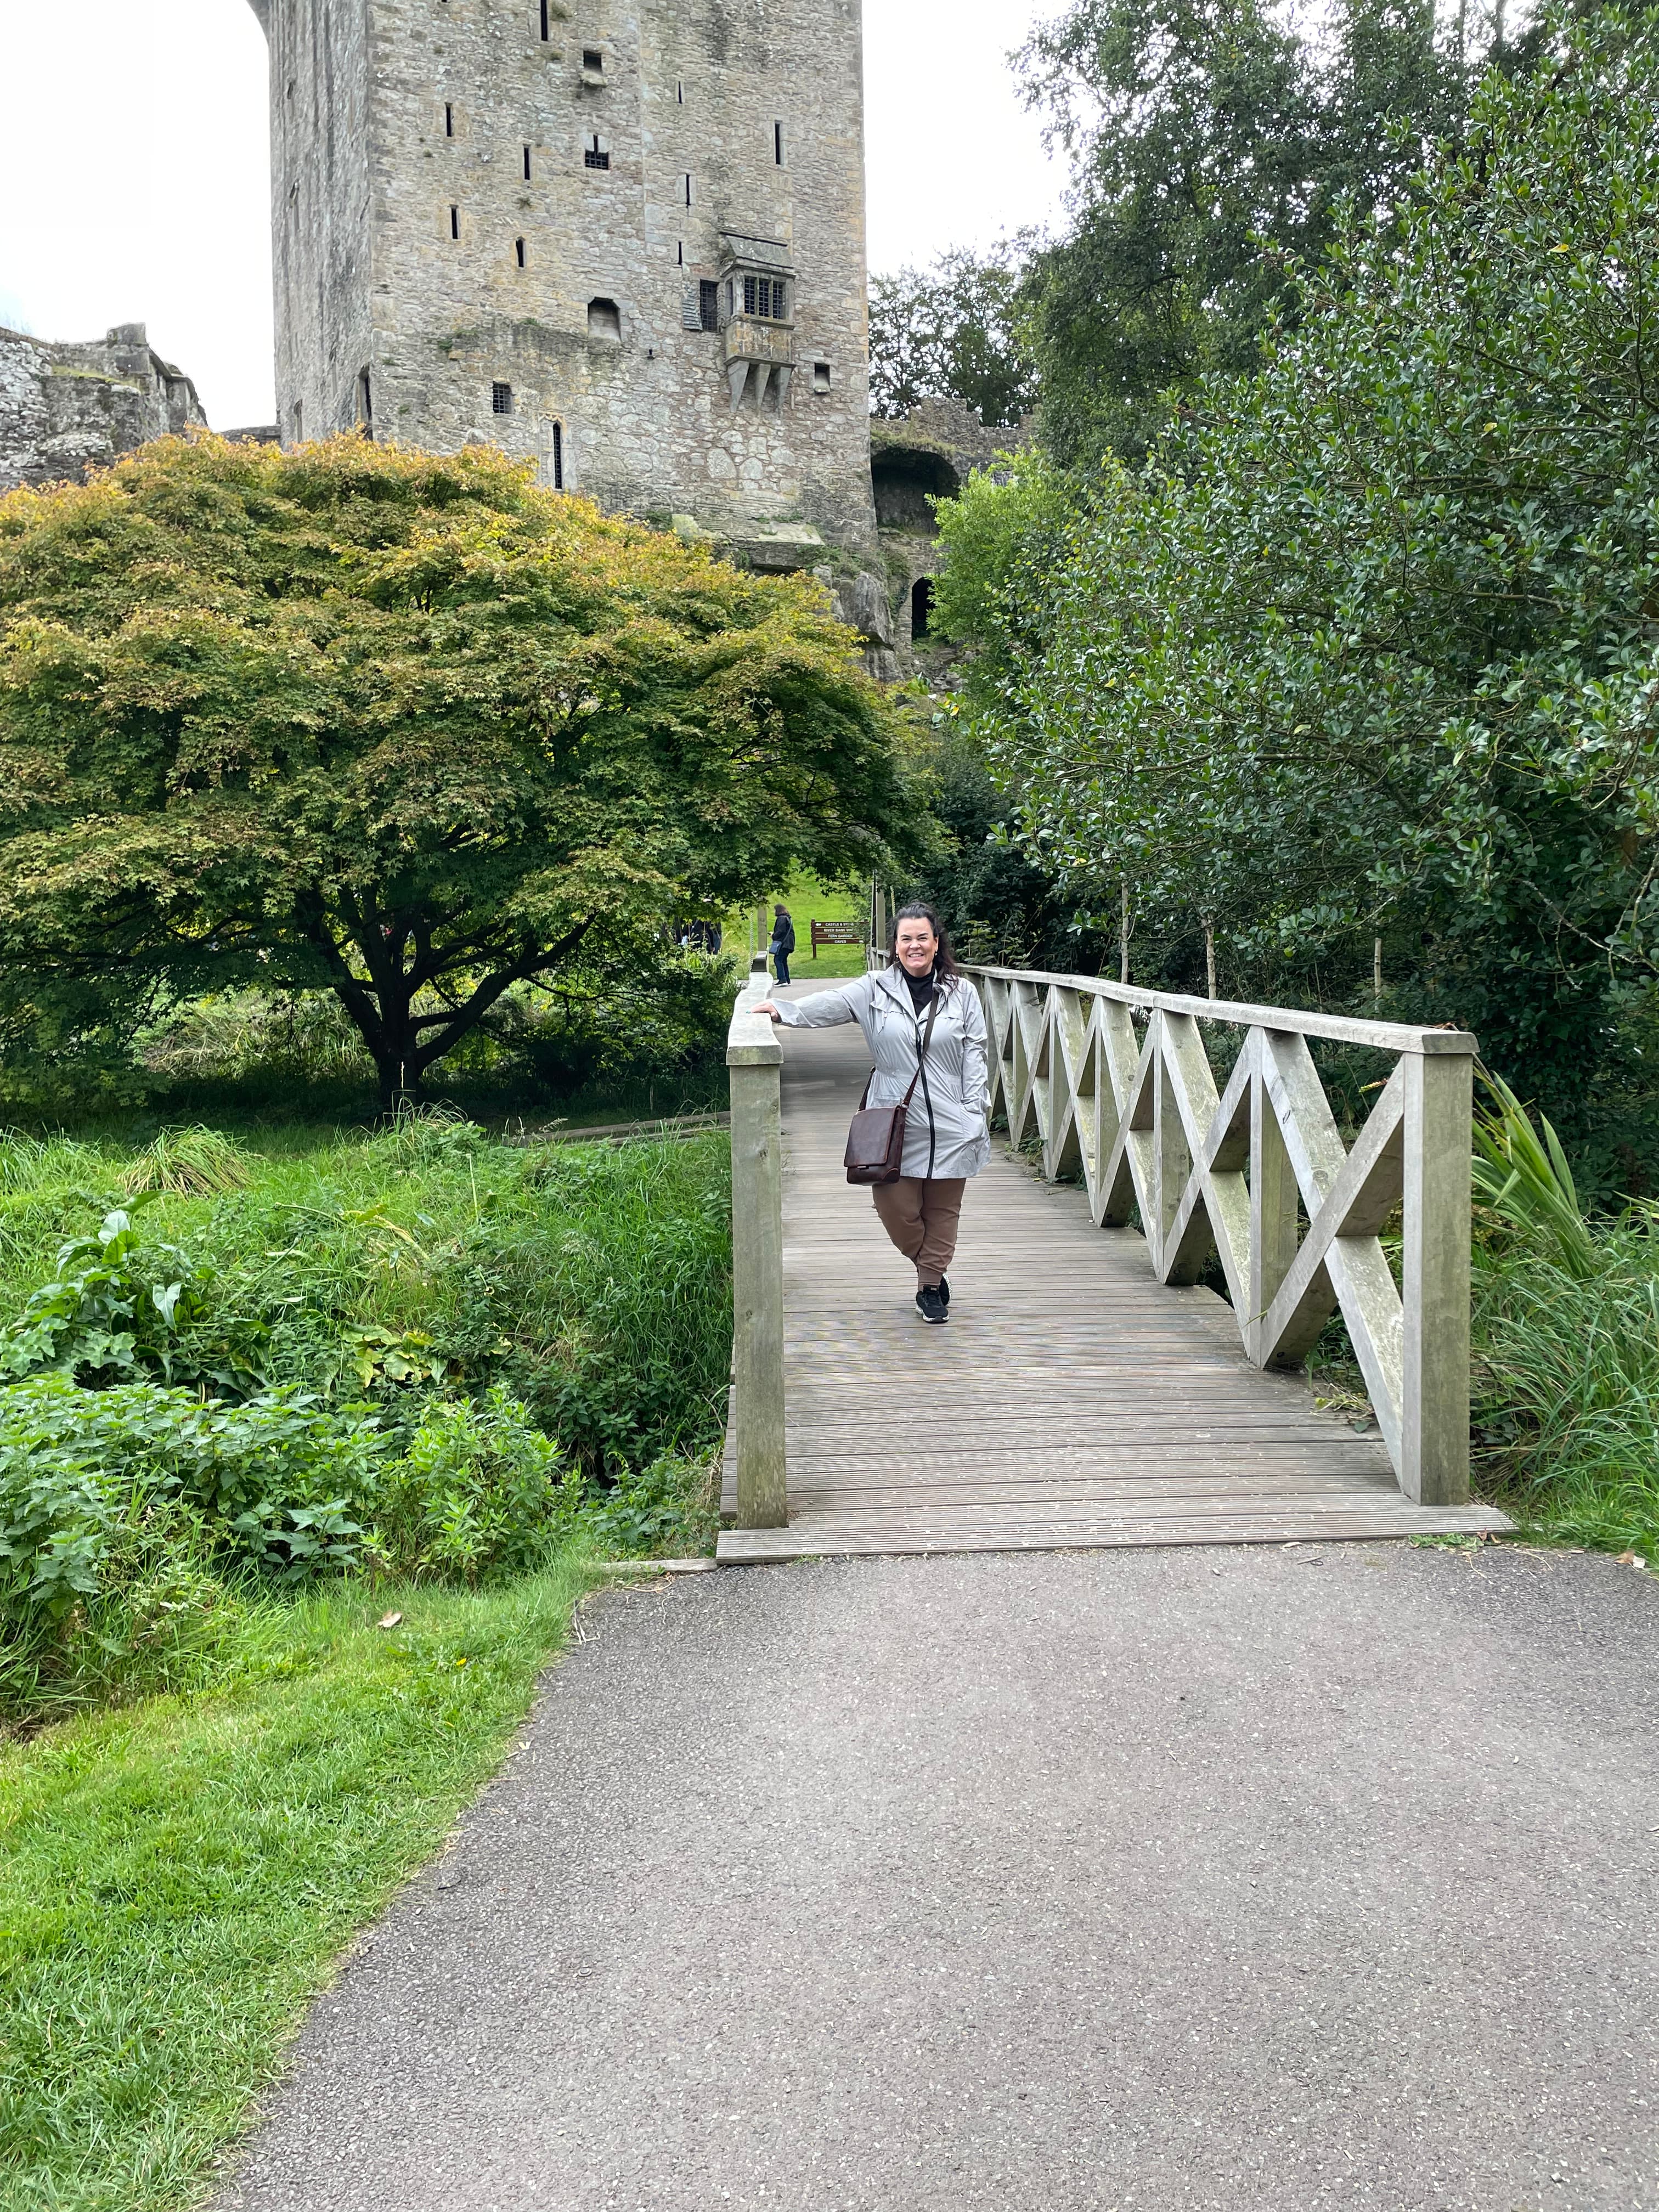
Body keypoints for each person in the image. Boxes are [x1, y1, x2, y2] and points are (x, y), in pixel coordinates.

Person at [753, 904, 989, 1323]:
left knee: (943, 1211)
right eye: (906, 939)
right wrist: (783, 1011)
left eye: (922, 938)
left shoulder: (962, 993)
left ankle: (930, 1287)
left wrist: (974, 1111)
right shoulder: (874, 988)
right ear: (895, 947)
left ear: (937, 944)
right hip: (893, 1119)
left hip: (953, 1122)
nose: (914, 946)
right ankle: (931, 1266)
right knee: (895, 1207)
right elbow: (832, 1003)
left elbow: (976, 1054)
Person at [769, 904, 796, 986]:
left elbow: (781, 931)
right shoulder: (788, 918)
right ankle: (787, 980)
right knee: (783, 961)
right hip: (789, 943)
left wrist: (773, 936)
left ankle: (782, 979)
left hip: (784, 944)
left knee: (778, 960)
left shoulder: (781, 919)